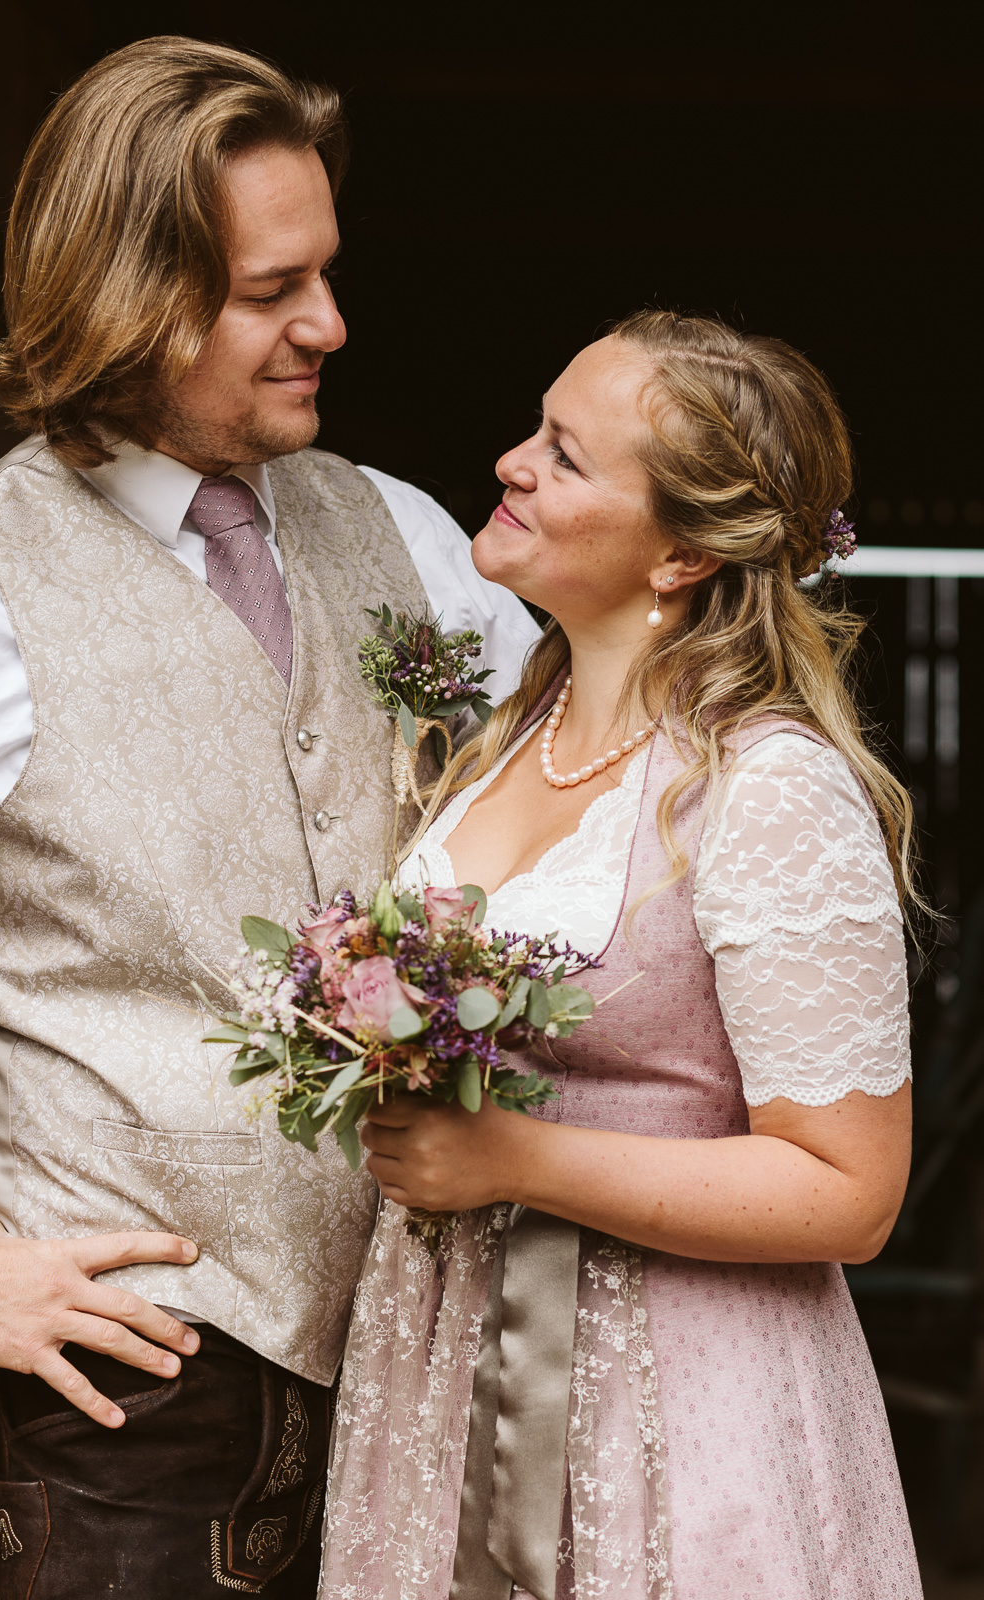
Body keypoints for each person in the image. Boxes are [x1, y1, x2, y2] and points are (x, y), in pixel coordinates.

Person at [0, 35, 538, 1599]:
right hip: (123, 1398)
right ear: (129, 297)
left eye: (325, 272)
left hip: (426, 1353)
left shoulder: (406, 532)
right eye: (273, 291)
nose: (329, 325)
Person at [318, 311, 923, 1600]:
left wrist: (512, 1158)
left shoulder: (768, 790)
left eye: (567, 457)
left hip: (674, 1403)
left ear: (685, 552)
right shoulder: (491, 749)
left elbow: (850, 1190)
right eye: (537, 429)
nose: (512, 463)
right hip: (438, 1379)